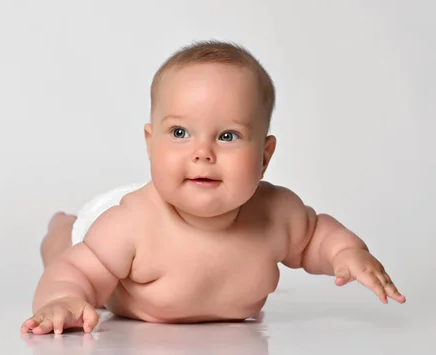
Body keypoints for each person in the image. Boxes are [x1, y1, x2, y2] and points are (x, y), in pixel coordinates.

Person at [21, 40, 406, 335]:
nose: (202, 153)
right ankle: (60, 225)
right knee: (66, 246)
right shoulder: (131, 224)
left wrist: (348, 253)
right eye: (180, 132)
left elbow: (316, 238)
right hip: (100, 220)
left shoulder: (276, 214)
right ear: (150, 143)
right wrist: (64, 300)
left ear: (265, 155)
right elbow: (80, 272)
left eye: (227, 135)